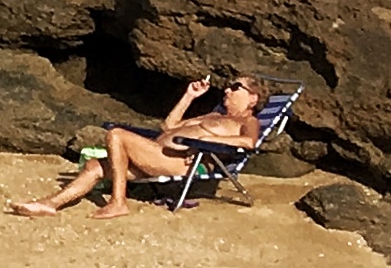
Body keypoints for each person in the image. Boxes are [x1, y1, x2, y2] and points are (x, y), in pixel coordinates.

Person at [15, 73, 272, 215]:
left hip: (179, 164)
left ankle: (118, 202)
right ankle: (48, 205)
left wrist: (207, 140)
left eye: (236, 87)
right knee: (94, 166)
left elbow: (249, 142)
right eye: (229, 86)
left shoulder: (248, 121)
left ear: (253, 98)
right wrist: (189, 96)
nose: (227, 90)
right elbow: (169, 126)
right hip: (157, 154)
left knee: (117, 134)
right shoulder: (213, 115)